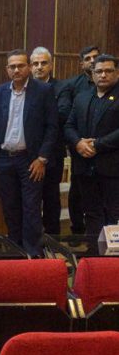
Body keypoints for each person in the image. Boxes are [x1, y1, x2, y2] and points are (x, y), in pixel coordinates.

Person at [0, 50, 57, 256]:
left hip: (31, 160)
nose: (16, 70)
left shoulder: (43, 91)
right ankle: (15, 251)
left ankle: (33, 253)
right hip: (4, 159)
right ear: (7, 69)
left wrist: (42, 158)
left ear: (28, 67)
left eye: (20, 65)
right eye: (12, 67)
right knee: (10, 207)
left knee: (31, 208)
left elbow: (52, 127)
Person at [64, 54, 119, 236]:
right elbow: (69, 126)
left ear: (117, 73)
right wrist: (78, 142)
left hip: (112, 169)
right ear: (92, 74)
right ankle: (94, 250)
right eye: (99, 71)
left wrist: (97, 145)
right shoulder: (82, 97)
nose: (103, 75)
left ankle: (111, 253)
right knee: (91, 213)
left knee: (113, 215)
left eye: (108, 71)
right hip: (85, 167)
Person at [61, 45, 100, 235]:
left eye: (96, 57)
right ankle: (77, 229)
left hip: (106, 148)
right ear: (81, 63)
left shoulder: (113, 85)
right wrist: (78, 142)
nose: (92, 61)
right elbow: (66, 117)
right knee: (77, 189)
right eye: (88, 58)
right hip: (79, 147)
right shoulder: (72, 85)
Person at [31, 46, 65, 234]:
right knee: (30, 201)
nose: (39, 67)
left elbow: (60, 117)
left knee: (51, 199)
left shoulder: (61, 88)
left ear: (51, 65)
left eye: (43, 63)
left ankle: (53, 241)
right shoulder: (24, 87)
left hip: (52, 154)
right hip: (27, 154)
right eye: (35, 63)